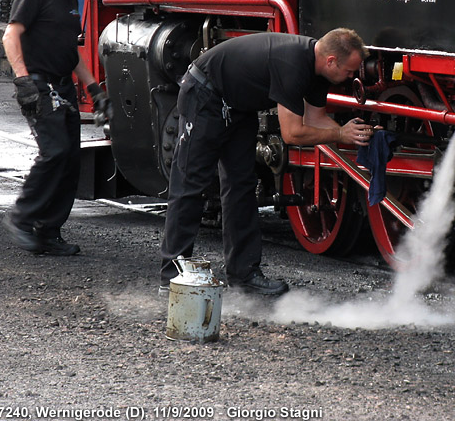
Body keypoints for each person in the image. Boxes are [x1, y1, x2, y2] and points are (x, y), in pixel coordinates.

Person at [160, 28, 376, 295]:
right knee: (190, 184)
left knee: (241, 186)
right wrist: (341, 133)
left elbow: (317, 120)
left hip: (239, 105)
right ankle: (172, 276)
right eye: (348, 71)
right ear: (331, 60)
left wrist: (356, 138)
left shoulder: (319, 70)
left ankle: (244, 274)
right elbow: (292, 133)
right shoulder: (293, 65)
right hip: (205, 93)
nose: (351, 77)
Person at [1, 0, 112, 256]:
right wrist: (23, 80)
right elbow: (11, 34)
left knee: (70, 161)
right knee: (54, 152)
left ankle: (48, 232)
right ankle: (21, 217)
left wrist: (94, 88)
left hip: (63, 87)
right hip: (40, 86)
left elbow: (70, 52)